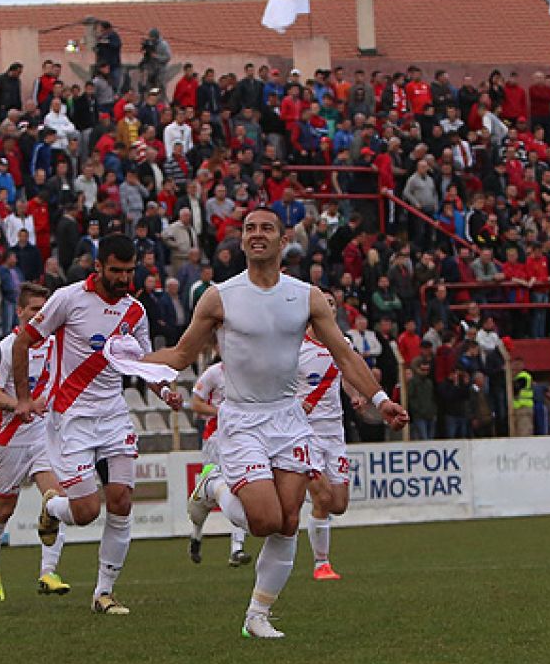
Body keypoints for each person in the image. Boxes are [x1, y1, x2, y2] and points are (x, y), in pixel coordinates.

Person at [143, 209, 406, 639]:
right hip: (242, 420)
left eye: (266, 228)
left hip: (289, 419)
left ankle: (257, 616)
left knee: (287, 521)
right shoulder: (219, 297)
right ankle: (212, 487)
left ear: (283, 241)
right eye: (250, 229)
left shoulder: (306, 296)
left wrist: (380, 399)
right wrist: (124, 360)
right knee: (262, 520)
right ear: (241, 241)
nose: (257, 234)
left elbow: (344, 353)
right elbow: (179, 356)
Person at [16, 234, 182, 616]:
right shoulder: (68, 299)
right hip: (71, 416)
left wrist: (164, 390)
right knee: (87, 510)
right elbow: (25, 342)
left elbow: (142, 364)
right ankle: (53, 507)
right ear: (99, 267)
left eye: (130, 270)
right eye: (116, 271)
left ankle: (104, 592)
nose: (124, 278)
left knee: (122, 501)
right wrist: (25, 398)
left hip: (113, 414)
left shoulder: (135, 311)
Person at [0, 282, 69, 602]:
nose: (39, 316)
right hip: (10, 438)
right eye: (33, 310)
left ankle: (49, 571)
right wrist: (19, 403)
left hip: (43, 435)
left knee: (55, 496)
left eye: (43, 311)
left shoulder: (54, 344)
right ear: (19, 312)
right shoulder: (6, 348)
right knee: (4, 509)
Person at [297, 291, 355, 582]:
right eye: (325, 303)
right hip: (306, 432)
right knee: (322, 497)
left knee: (339, 504)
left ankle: (311, 513)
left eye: (333, 304)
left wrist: (356, 395)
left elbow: (348, 377)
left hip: (335, 431)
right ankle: (322, 564)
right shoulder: (295, 346)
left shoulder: (343, 344)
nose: (329, 308)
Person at [185, 361, 250, 567]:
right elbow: (196, 403)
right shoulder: (214, 373)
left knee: (240, 488)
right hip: (215, 439)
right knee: (207, 495)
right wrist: (222, 412)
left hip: (243, 439)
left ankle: (237, 549)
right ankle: (196, 535)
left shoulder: (250, 371)